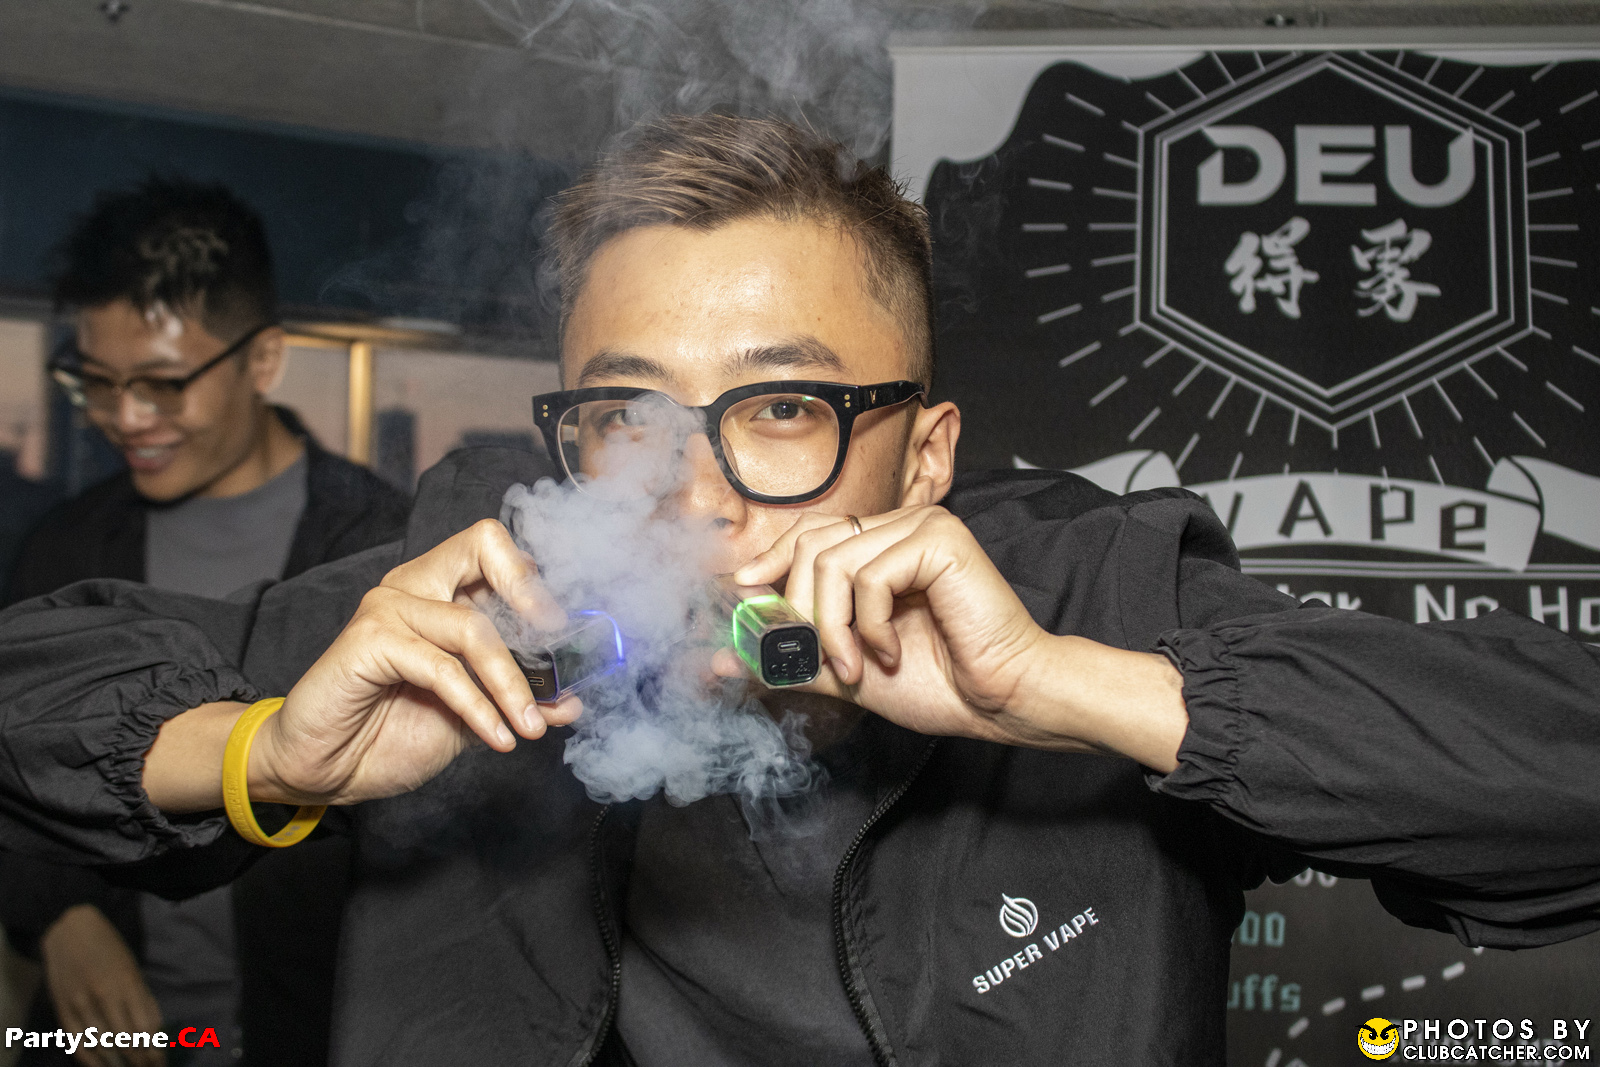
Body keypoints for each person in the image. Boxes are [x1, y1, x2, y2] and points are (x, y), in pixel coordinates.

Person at [0, 116, 1597, 1067]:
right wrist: (266, 747)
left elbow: (1562, 767)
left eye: (781, 408)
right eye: (626, 415)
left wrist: (1064, 687)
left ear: (923, 457)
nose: (690, 497)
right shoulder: (494, 599)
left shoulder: (1086, 586)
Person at [0, 178, 409, 1067]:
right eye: (97, 384)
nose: (126, 419)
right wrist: (60, 916)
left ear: (263, 360)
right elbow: (17, 744)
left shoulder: (385, 547)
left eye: (162, 384)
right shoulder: (69, 546)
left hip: (304, 1029)